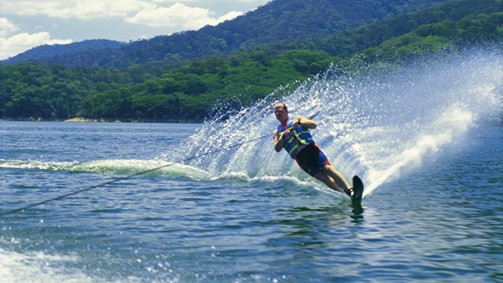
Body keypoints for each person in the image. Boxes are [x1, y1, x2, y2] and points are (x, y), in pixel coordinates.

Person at [273, 102, 356, 199]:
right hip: (301, 159)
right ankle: (344, 193)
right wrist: (282, 137)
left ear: (286, 110)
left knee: (328, 169)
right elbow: (277, 148)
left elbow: (313, 125)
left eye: (279, 110)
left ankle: (350, 190)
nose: (277, 113)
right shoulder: (277, 132)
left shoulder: (297, 118)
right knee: (323, 178)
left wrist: (300, 122)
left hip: (311, 150)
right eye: (275, 112)